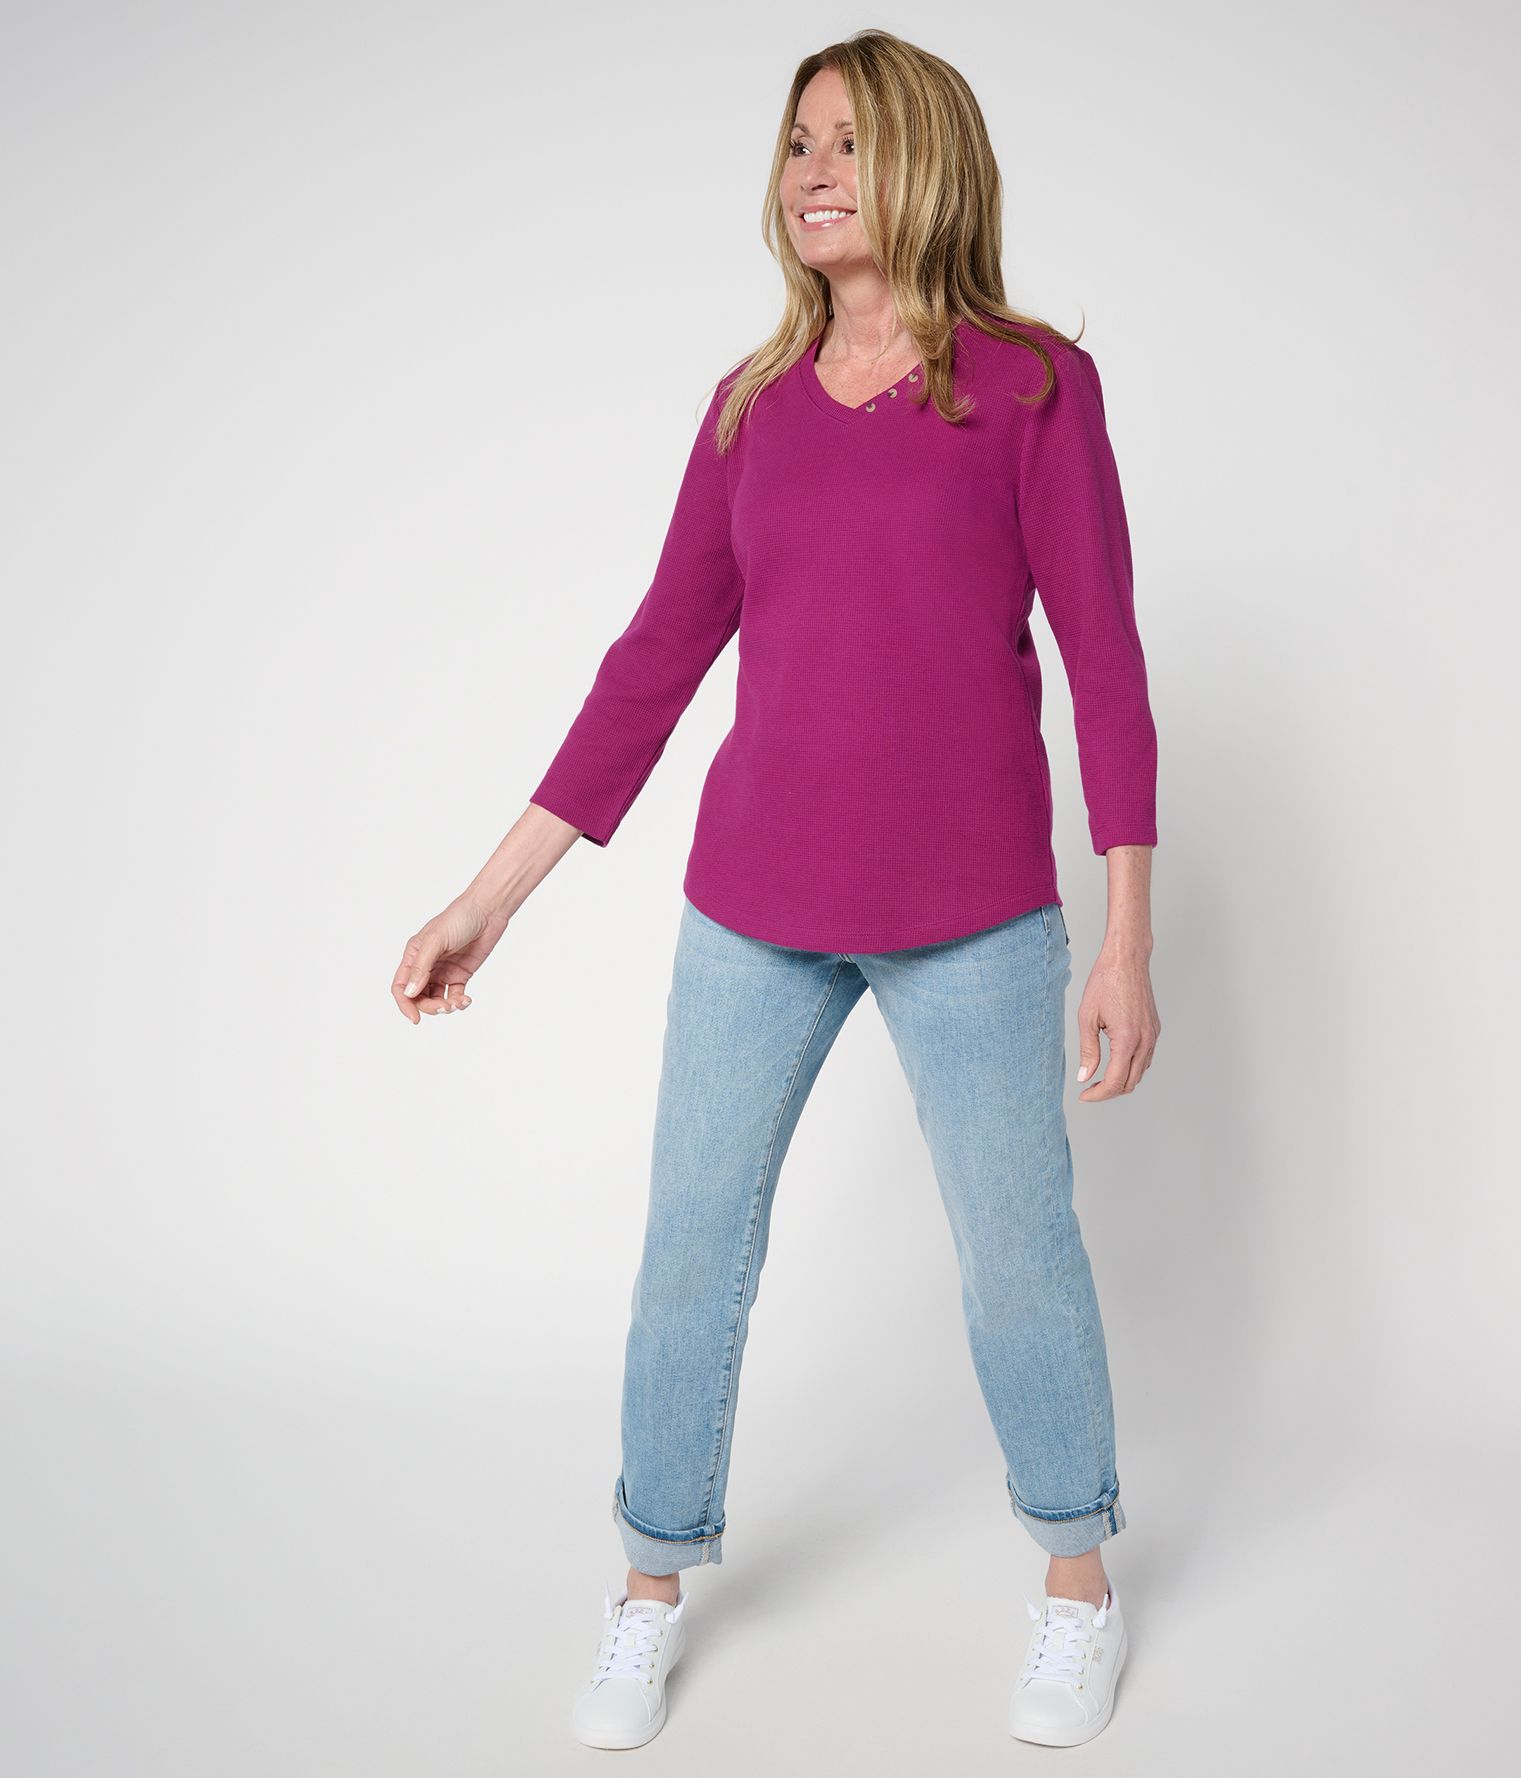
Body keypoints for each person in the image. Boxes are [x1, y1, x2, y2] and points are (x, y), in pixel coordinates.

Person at [391, 28, 1160, 1752]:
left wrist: (1125, 931)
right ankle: (649, 1584)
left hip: (975, 917)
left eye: (852, 142)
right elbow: (654, 659)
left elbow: (1106, 662)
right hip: (755, 908)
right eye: (799, 140)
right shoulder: (750, 408)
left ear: (928, 166)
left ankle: (1078, 1582)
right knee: (690, 1252)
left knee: (1018, 1259)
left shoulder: (1032, 388)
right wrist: (490, 898)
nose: (813, 170)